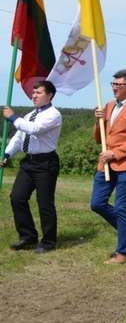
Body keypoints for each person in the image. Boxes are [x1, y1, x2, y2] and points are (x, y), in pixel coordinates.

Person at [90, 69, 126, 264]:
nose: (114, 88)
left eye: (118, 84)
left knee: (122, 206)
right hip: (105, 164)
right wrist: (98, 122)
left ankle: (122, 252)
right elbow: (100, 139)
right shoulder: (107, 106)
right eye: (113, 84)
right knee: (97, 203)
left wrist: (115, 153)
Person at [2, 81, 62, 254]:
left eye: (38, 92)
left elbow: (34, 129)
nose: (33, 95)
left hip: (46, 163)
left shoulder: (53, 114)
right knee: (17, 197)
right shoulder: (29, 115)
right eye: (33, 92)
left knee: (45, 203)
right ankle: (28, 236)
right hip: (28, 163)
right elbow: (19, 137)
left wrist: (12, 117)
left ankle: (49, 241)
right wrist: (6, 154)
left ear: (49, 95)